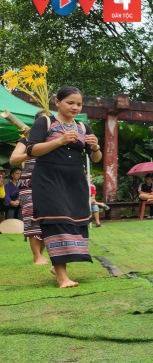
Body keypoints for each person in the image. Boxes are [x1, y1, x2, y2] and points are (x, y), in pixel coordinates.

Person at [25, 86, 102, 288]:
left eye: (79, 104)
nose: (75, 107)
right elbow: (31, 149)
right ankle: (62, 277)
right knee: (57, 221)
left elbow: (95, 158)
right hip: (48, 180)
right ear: (57, 102)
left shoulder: (83, 127)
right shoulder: (45, 122)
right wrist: (59, 140)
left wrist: (95, 147)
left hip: (75, 181)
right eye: (70, 103)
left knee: (75, 221)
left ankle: (58, 265)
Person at [9, 110, 49, 265]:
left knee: (47, 218)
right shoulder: (26, 140)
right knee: (32, 217)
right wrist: (31, 152)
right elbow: (13, 159)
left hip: (48, 183)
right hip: (29, 184)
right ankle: (36, 256)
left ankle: (41, 254)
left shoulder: (54, 139)